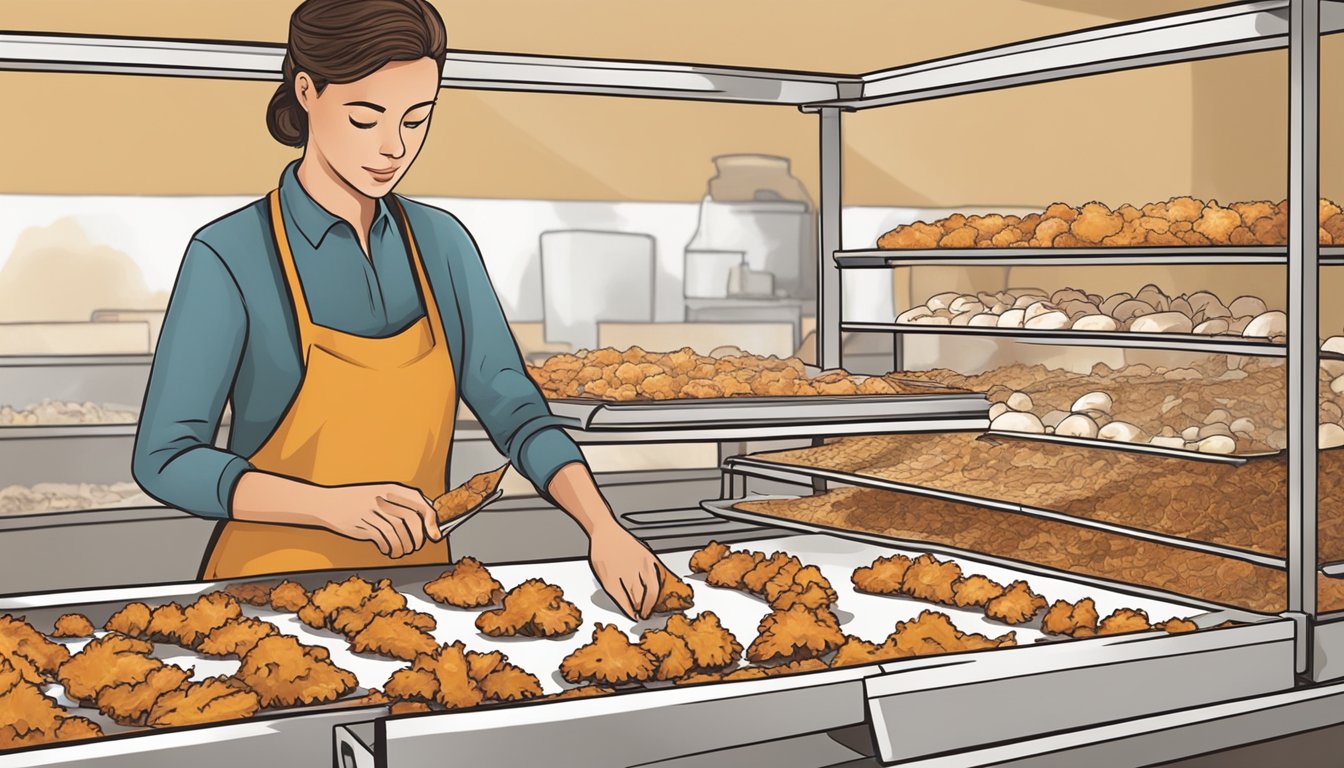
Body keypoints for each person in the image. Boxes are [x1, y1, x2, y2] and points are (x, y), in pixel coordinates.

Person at [132, 0, 664, 620]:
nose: (394, 148)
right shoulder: (229, 254)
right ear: (306, 91)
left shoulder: (441, 244)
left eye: (417, 120)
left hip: (417, 598)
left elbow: (515, 408)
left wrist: (602, 526)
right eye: (366, 118)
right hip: (266, 605)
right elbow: (165, 458)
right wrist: (330, 507)